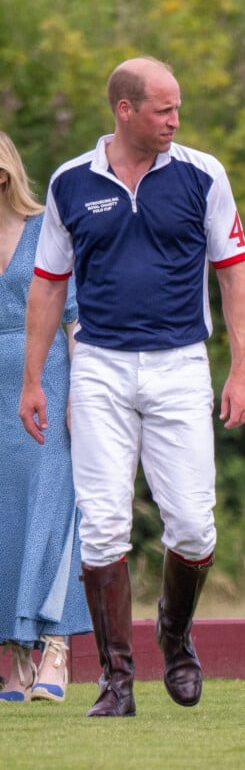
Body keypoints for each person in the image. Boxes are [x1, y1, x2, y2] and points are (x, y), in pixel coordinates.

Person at [19, 57, 245, 718]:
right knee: (102, 527)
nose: (174, 121)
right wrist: (34, 379)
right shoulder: (70, 184)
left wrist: (242, 368)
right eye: (162, 110)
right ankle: (116, 680)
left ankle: (174, 635)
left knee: (193, 525)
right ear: (125, 110)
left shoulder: (203, 174)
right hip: (98, 366)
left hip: (180, 364)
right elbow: (47, 284)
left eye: (177, 108)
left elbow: (235, 274)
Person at [0, 131, 91, 703]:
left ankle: (56, 648)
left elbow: (76, 316)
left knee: (55, 509)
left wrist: (80, 392)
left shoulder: (46, 230)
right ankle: (14, 658)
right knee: (4, 517)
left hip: (47, 380)